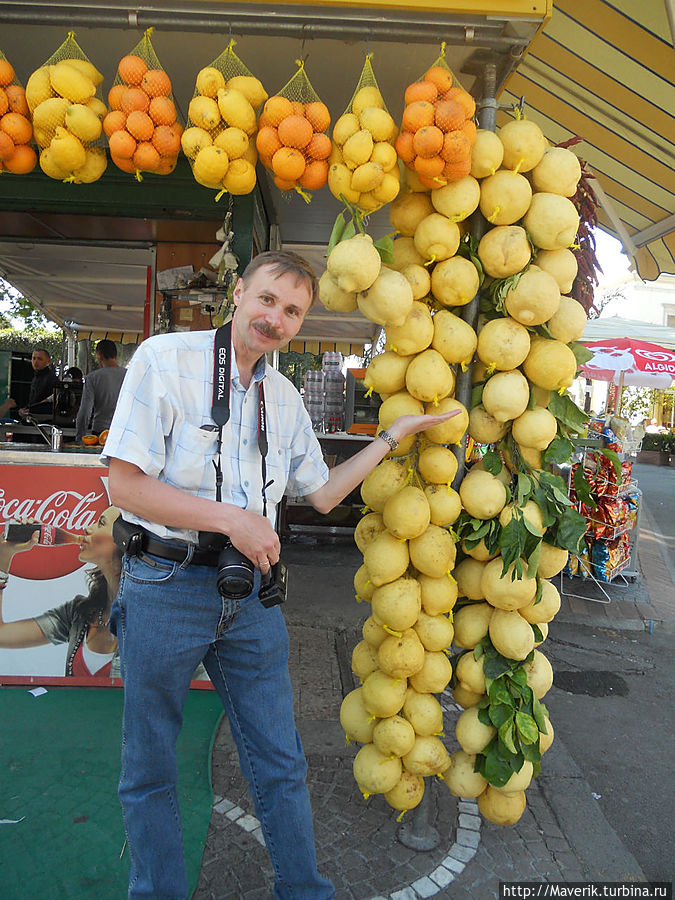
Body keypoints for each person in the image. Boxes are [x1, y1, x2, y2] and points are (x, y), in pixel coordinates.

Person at [102, 249, 458, 900]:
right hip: (164, 584)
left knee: (281, 761)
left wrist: (390, 438)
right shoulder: (164, 359)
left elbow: (320, 495)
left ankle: (304, 891)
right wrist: (232, 521)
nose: (276, 319)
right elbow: (125, 486)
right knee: (149, 766)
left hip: (252, 597)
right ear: (237, 293)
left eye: (292, 310)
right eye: (267, 300)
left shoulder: (284, 395)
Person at [0, 506, 122, 678]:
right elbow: (2, 635)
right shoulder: (79, 613)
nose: (88, 528)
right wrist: (4, 556)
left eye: (101, 523)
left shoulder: (151, 621)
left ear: (126, 541)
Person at [76, 339, 127, 441]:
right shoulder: (129, 375)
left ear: (99, 355)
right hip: (124, 431)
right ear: (116, 355)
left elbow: (85, 411)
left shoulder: (92, 378)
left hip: (101, 433)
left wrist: (80, 437)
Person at [17, 347, 60, 417]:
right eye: (34, 358)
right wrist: (25, 409)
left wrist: (30, 410)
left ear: (48, 361)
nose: (36, 361)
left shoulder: (51, 379)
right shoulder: (36, 377)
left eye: (39, 359)